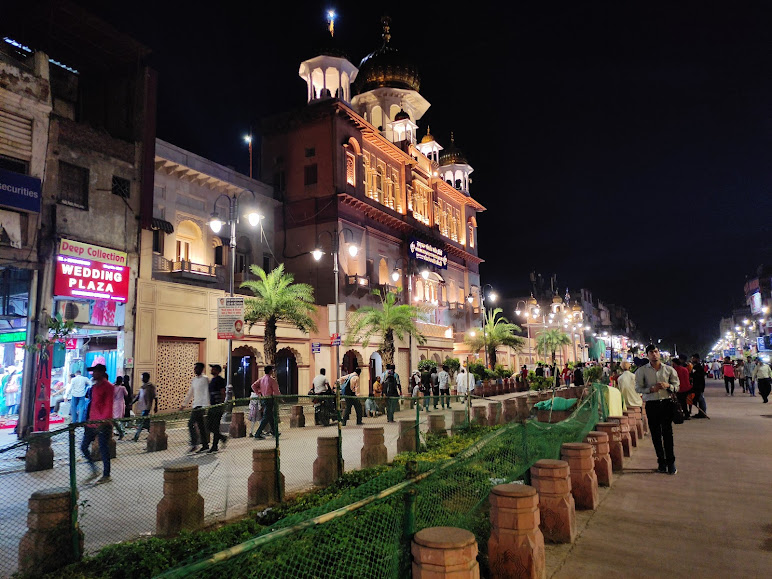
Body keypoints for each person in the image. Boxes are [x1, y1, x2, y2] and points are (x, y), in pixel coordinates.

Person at [635, 345, 680, 475]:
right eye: (651, 352)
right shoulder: (642, 371)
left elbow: (677, 386)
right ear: (647, 355)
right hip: (652, 404)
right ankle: (661, 462)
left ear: (659, 354)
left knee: (667, 434)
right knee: (655, 434)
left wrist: (668, 386)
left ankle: (671, 463)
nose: (654, 354)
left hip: (666, 403)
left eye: (656, 352)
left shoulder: (669, 370)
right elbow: (638, 388)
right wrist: (650, 389)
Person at [80, 364, 115, 483]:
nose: (92, 374)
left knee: (103, 448)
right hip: (91, 422)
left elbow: (108, 405)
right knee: (83, 447)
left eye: (94, 372)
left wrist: (104, 420)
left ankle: (106, 474)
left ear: (100, 372)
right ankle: (94, 470)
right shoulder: (94, 388)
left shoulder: (108, 387)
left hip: (103, 423)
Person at [181, 362, 210, 452]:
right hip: (195, 404)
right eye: (194, 368)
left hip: (201, 406)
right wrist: (184, 404)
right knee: (201, 426)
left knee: (191, 423)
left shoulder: (205, 379)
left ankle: (194, 443)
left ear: (201, 369)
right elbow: (190, 392)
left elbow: (206, 392)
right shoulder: (194, 380)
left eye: (197, 368)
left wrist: (206, 406)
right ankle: (204, 444)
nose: (195, 370)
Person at [252, 365, 281, 439]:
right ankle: (258, 433)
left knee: (270, 415)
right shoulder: (271, 380)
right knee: (266, 417)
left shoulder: (261, 379)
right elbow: (276, 390)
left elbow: (253, 386)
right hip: (269, 399)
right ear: (270, 371)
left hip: (263, 398)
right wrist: (280, 398)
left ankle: (274, 431)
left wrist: (258, 393)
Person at [205, 364, 228, 453]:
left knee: (215, 426)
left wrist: (221, 404)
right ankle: (222, 437)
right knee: (209, 426)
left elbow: (223, 392)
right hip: (212, 406)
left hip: (217, 406)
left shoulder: (220, 380)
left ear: (217, 371)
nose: (211, 370)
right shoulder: (212, 380)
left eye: (213, 369)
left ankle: (215, 445)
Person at [132, 372, 157, 442]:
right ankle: (152, 434)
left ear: (146, 378)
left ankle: (136, 436)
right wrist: (132, 402)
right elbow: (138, 396)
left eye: (143, 377)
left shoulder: (151, 387)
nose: (142, 379)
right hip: (142, 406)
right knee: (146, 423)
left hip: (147, 407)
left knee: (141, 422)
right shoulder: (143, 386)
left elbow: (155, 397)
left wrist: (156, 406)